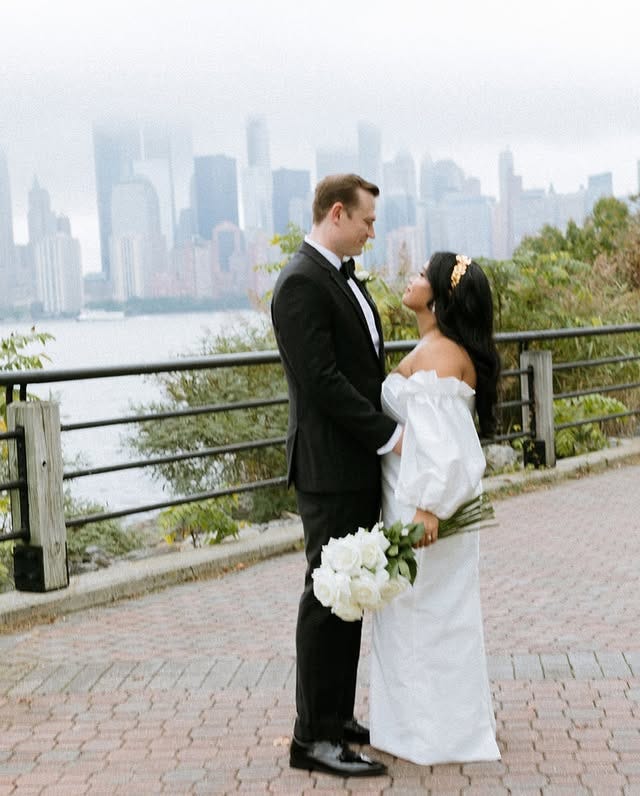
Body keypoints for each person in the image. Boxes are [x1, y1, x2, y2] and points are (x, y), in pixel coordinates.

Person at [270, 174, 399, 777]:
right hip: (328, 466)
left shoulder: (341, 278)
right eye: (368, 221)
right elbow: (321, 381)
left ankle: (337, 718)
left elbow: (364, 369)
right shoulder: (300, 282)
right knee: (325, 597)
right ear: (339, 213)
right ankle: (311, 739)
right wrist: (386, 434)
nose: (373, 232)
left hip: (353, 463)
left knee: (352, 591)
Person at [369, 251, 502, 766]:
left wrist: (429, 508)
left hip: (425, 508)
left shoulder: (442, 353)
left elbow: (447, 445)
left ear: (441, 296)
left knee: (428, 616)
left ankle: (434, 734)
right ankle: (421, 728)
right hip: (412, 499)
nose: (411, 278)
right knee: (421, 616)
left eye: (423, 274)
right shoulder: (436, 346)